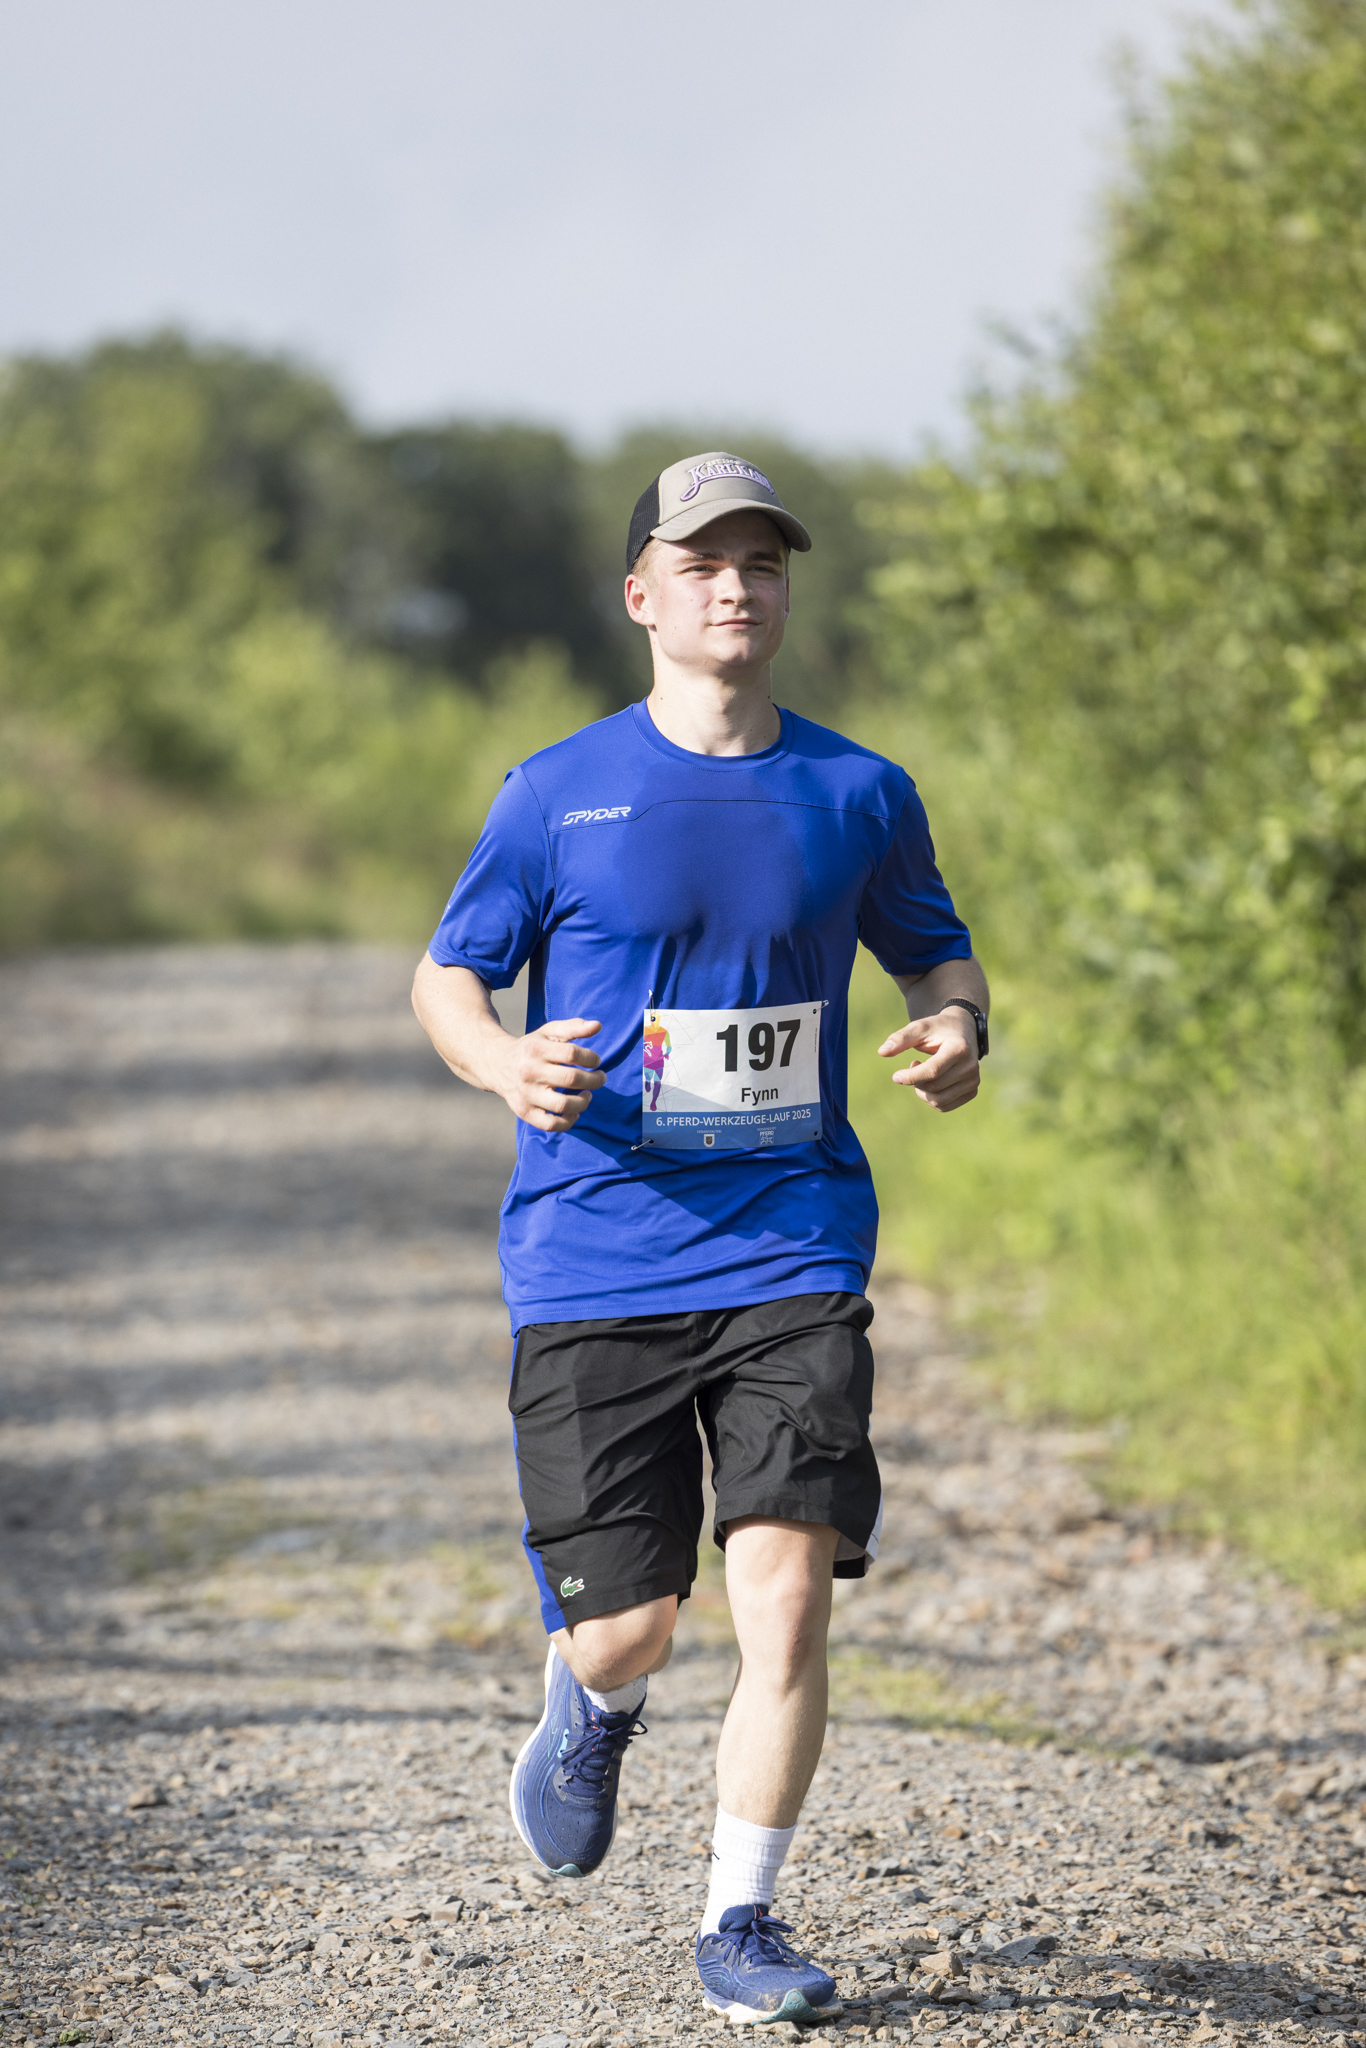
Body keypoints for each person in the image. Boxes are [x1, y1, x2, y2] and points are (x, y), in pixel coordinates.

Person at [411, 450, 989, 2027]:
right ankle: (591, 1703)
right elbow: (450, 976)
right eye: (703, 562)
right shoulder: (555, 792)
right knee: (626, 1629)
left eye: (763, 562)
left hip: (793, 1242)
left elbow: (937, 957)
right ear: (641, 597)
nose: (737, 586)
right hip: (595, 1252)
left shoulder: (858, 792)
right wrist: (500, 1061)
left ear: (784, 592)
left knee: (785, 1594)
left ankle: (741, 1918)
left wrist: (954, 1030)